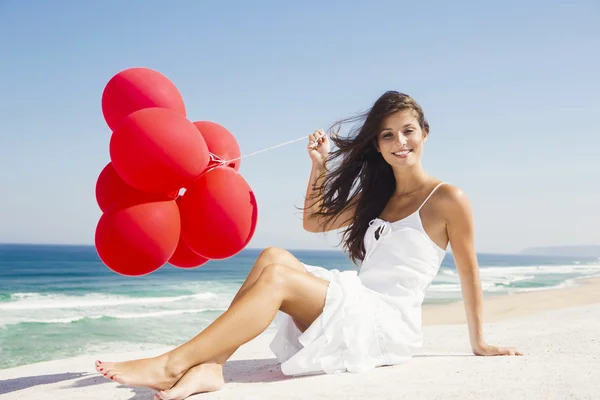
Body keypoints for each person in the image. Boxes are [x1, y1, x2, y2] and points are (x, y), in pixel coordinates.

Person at [95, 91, 522, 400]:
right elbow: (314, 221)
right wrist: (319, 166)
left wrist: (480, 342)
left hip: (387, 324)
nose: (400, 142)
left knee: (279, 277)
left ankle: (172, 364)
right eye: (387, 135)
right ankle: (209, 366)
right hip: (360, 301)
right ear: (378, 144)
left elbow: (469, 272)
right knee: (273, 256)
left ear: (425, 133)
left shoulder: (448, 198)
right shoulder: (377, 197)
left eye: (408, 131)